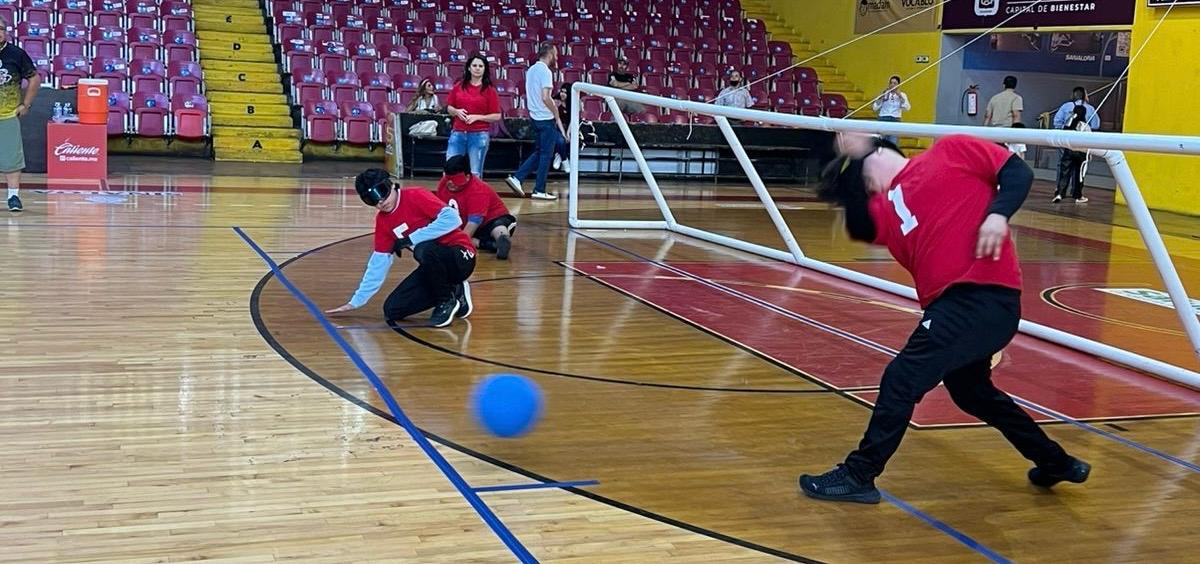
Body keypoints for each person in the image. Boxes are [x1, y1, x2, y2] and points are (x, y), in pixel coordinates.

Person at [800, 132, 1090, 504]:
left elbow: (1017, 172)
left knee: (901, 378)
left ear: (885, 149)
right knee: (972, 393)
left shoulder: (950, 150)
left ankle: (859, 474)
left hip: (981, 297)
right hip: (959, 307)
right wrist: (844, 157)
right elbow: (859, 222)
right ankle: (1057, 463)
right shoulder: (886, 209)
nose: (867, 180)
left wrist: (998, 214)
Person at [326, 168, 476, 328]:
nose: (380, 202)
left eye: (381, 193)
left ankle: (446, 301)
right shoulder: (383, 222)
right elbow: (378, 262)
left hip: (460, 256)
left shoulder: (415, 195)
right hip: (434, 267)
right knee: (393, 309)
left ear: (390, 185)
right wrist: (356, 301)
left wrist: (411, 238)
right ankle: (456, 289)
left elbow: (453, 219)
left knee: (423, 250)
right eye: (372, 200)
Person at [504, 42, 563, 201]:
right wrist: (555, 110)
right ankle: (539, 189)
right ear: (550, 54)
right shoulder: (546, 71)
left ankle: (517, 178)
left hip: (534, 116)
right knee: (546, 155)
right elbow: (546, 97)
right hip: (545, 117)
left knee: (539, 152)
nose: (556, 57)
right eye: (555, 54)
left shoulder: (531, 70)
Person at [437, 155, 517, 260]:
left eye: (456, 179)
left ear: (467, 176)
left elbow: (474, 222)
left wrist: (459, 241)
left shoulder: (478, 190)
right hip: (467, 226)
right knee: (459, 236)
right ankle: (489, 245)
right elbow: (438, 210)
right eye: (448, 178)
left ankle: (502, 238)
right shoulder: (443, 184)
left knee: (496, 226)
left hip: (492, 219)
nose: (451, 183)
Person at [0, 16, 41, 212]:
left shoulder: (16, 54)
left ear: (6, 31)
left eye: (0, 29)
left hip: (7, 114)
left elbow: (34, 79)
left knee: (11, 159)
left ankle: (13, 197)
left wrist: (26, 104)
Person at [445, 53, 502, 179]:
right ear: (469, 68)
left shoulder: (490, 90)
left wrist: (478, 117)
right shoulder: (458, 86)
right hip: (458, 133)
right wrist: (456, 111)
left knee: (475, 173)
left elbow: (497, 116)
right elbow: (449, 107)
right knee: (450, 169)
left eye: (480, 66)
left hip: (479, 135)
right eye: (474, 65)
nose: (477, 68)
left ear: (485, 69)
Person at [1051, 87, 1099, 204]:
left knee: (1064, 169)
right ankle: (1077, 194)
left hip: (1068, 143)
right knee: (1080, 170)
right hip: (1082, 145)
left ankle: (1060, 193)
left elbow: (1056, 122)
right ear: (1084, 95)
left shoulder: (1066, 106)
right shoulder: (1090, 108)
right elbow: (1096, 125)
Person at [1054, 106, 1093, 204]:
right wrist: (1090, 154)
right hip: (1081, 153)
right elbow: (1090, 141)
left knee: (1064, 173)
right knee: (1079, 174)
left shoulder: (1068, 123)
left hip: (1068, 151)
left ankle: (1060, 193)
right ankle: (1078, 195)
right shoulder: (1085, 126)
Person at [872, 75, 910, 146]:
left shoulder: (902, 95)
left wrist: (900, 96)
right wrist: (881, 98)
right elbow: (874, 108)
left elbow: (907, 108)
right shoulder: (884, 93)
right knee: (881, 143)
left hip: (895, 120)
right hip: (883, 119)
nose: (892, 85)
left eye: (895, 83)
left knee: (893, 143)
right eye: (891, 83)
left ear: (899, 85)